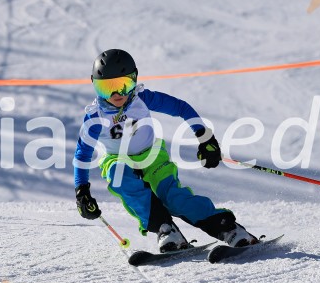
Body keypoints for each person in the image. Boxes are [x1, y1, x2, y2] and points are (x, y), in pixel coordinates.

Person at [73, 49, 258, 253]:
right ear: (95, 86)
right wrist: (82, 191)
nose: (117, 94)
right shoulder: (94, 117)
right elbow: (82, 154)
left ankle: (227, 228)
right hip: (118, 159)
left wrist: (205, 138)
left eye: (124, 85)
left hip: (151, 155)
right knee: (121, 179)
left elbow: (180, 107)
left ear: (134, 80)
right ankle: (165, 228)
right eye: (107, 88)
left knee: (173, 198)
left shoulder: (141, 98)